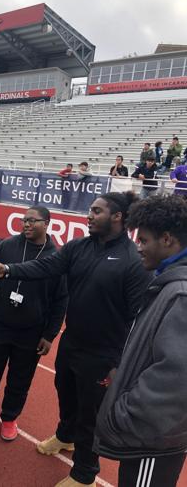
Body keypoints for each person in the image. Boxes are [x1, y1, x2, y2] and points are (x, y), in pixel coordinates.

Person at [0, 192, 150, 487]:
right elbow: (46, 267)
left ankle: (85, 474)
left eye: (96, 211)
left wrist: (119, 363)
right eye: (90, 210)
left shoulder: (133, 261)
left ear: (117, 217)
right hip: (72, 341)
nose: (89, 215)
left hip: (103, 353)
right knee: (65, 391)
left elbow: (137, 319)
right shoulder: (79, 246)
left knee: (91, 412)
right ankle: (66, 437)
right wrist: (9, 269)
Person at [95, 195, 187, 487]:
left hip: (152, 441)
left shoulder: (180, 294)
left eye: (144, 240)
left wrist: (125, 414)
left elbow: (175, 380)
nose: (138, 247)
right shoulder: (169, 283)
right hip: (154, 437)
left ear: (168, 240)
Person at [0, 206, 68, 441]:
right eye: (24, 220)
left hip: (31, 331)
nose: (26, 224)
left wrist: (50, 335)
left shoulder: (56, 258)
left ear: (47, 223)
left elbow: (61, 300)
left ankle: (9, 417)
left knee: (20, 379)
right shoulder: (7, 246)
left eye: (32, 221)